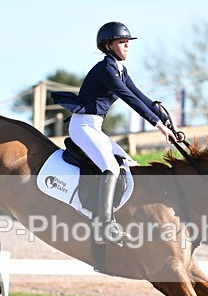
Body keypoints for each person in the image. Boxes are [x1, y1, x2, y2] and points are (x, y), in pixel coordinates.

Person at [52, 21, 178, 245]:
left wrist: (170, 123)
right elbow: (128, 99)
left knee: (129, 164)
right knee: (109, 167)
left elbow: (140, 97)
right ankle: (104, 226)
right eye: (122, 42)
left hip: (95, 127)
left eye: (128, 42)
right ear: (108, 45)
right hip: (82, 126)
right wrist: (158, 125)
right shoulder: (106, 70)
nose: (127, 46)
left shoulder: (121, 69)